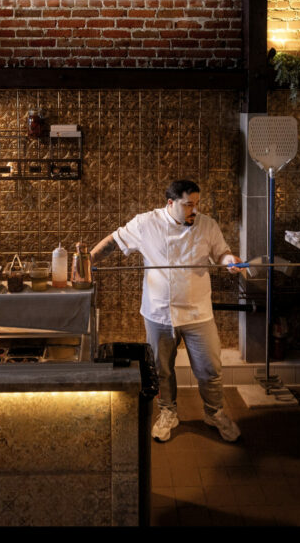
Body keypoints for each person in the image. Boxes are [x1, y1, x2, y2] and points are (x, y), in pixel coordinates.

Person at [90, 179, 243, 443]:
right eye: (187, 205)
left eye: (196, 204)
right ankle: (168, 412)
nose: (193, 210)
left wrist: (230, 261)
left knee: (210, 369)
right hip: (158, 312)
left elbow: (222, 254)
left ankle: (214, 412)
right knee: (162, 370)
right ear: (170, 203)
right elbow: (114, 241)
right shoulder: (145, 223)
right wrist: (84, 261)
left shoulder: (207, 225)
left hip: (198, 313)